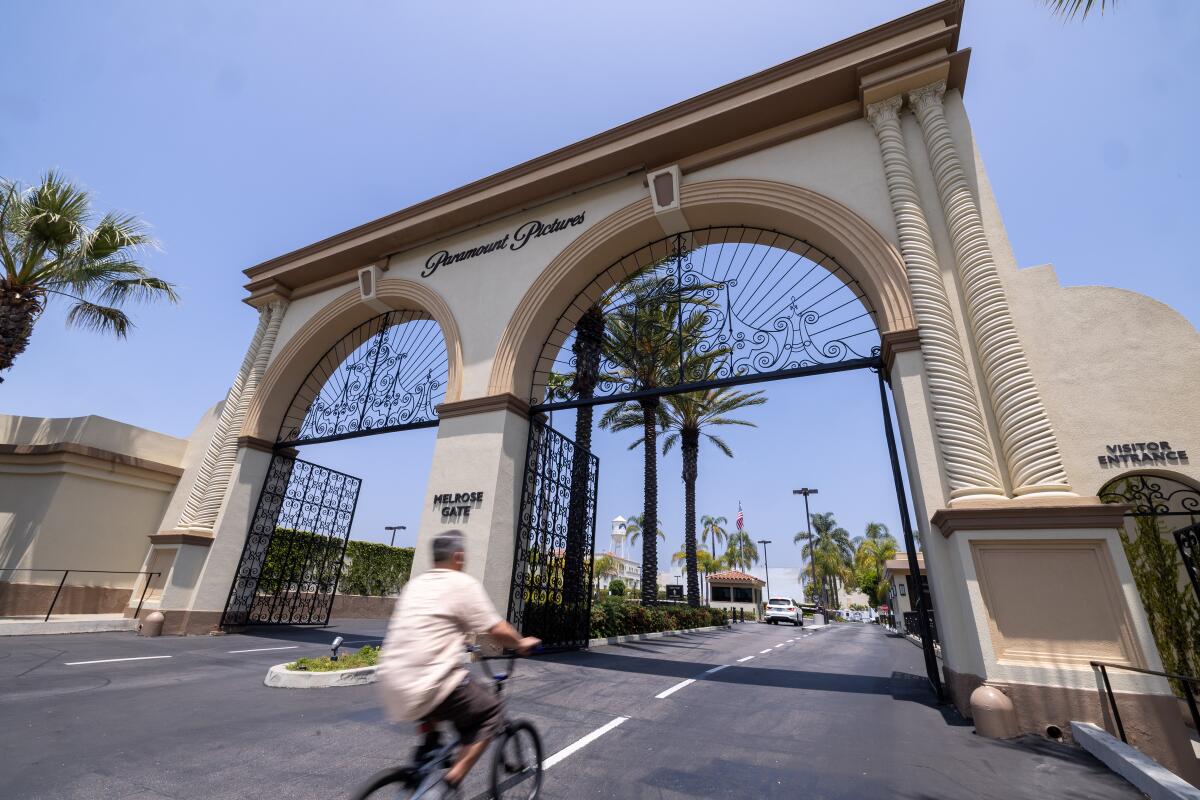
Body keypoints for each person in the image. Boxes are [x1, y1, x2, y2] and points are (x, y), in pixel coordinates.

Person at [378, 529, 540, 797]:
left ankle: (426, 757)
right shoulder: (461, 584)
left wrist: (484, 646)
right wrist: (520, 644)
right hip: (431, 684)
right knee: (490, 713)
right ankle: (449, 782)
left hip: (392, 683)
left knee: (436, 721)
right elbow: (496, 628)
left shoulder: (414, 586)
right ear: (458, 556)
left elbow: (464, 636)